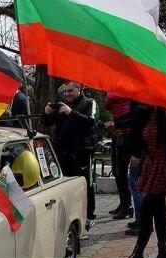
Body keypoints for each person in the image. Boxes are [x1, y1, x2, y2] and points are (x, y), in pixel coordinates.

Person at [122, 106, 166, 258]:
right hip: (151, 163)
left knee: (147, 210)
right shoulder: (145, 112)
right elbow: (136, 133)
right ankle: (163, 253)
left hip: (164, 164)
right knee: (158, 211)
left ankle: (139, 253)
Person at [43, 81, 98, 227]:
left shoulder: (89, 103)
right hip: (63, 152)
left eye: (70, 91)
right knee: (66, 183)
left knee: (85, 183)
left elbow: (91, 122)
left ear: (79, 89)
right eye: (65, 92)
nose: (67, 94)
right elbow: (48, 122)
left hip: (82, 152)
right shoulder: (62, 105)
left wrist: (71, 113)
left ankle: (90, 214)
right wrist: (47, 113)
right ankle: (70, 212)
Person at [104, 93, 136, 220]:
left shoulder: (128, 89)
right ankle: (124, 203)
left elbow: (132, 118)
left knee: (121, 173)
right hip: (118, 133)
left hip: (125, 134)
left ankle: (127, 206)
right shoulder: (114, 88)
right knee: (118, 172)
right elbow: (106, 105)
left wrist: (110, 97)